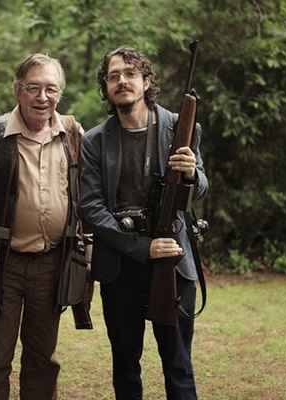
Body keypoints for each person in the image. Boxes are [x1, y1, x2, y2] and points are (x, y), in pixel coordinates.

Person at [0, 53, 85, 400]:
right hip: (2, 264)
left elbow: (85, 198)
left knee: (42, 358)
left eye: (51, 89)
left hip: (52, 264)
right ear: (17, 90)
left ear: (61, 92)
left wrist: (88, 255)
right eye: (33, 88)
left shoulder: (72, 134)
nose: (43, 97)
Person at [79, 47, 208, 400]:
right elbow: (91, 207)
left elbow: (202, 189)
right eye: (113, 76)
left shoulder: (179, 127)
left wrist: (192, 173)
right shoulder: (93, 141)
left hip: (172, 259)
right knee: (125, 364)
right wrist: (140, 246)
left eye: (130, 73)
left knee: (178, 364)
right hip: (120, 266)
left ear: (146, 81)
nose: (122, 81)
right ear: (105, 87)